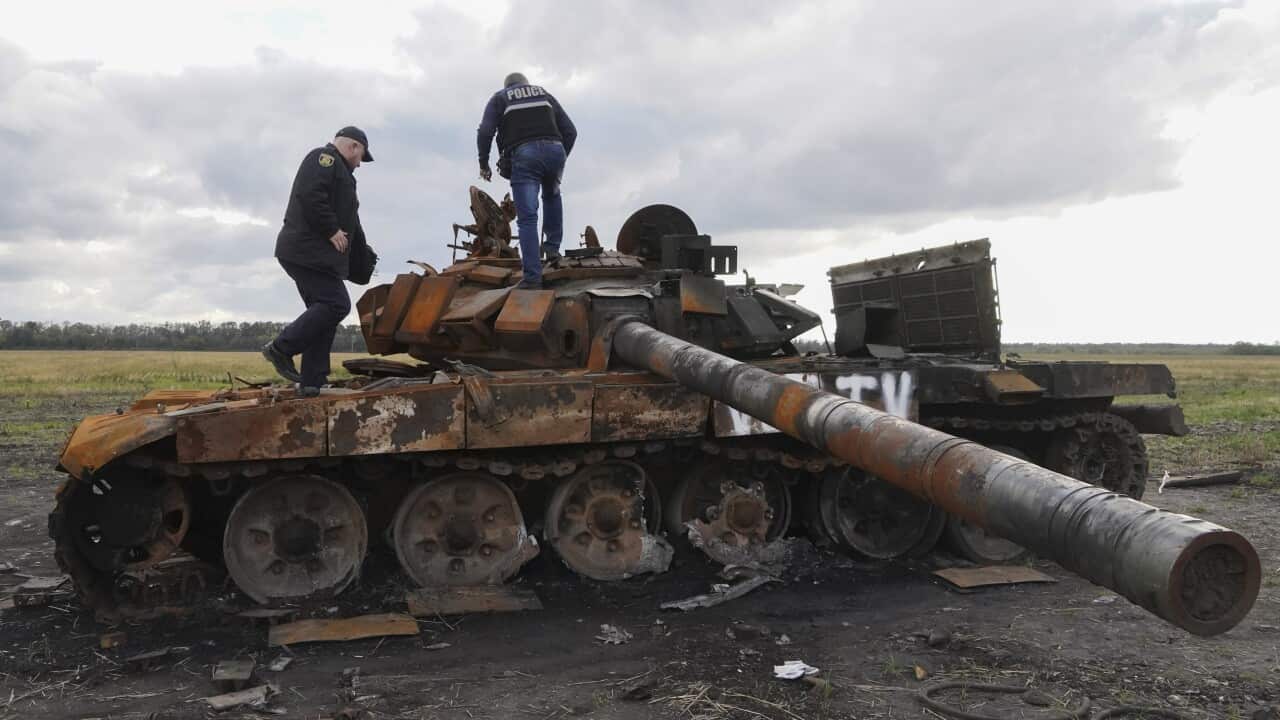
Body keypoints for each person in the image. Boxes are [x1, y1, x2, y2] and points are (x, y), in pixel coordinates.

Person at [262, 126, 373, 395]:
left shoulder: (344, 175)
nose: (360, 164)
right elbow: (310, 194)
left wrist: (364, 255)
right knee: (336, 304)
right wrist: (331, 229)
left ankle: (312, 382)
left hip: (318, 258)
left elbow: (352, 224)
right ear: (353, 147)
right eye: (361, 157)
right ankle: (281, 348)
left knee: (322, 315)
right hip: (306, 252)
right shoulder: (324, 159)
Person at [476, 72, 577, 288]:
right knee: (552, 194)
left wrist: (483, 164)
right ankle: (552, 250)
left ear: (508, 86)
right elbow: (571, 131)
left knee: (528, 217)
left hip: (525, 153)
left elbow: (485, 131)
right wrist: (559, 157)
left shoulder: (500, 98)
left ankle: (532, 278)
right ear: (526, 84)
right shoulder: (544, 94)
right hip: (556, 149)